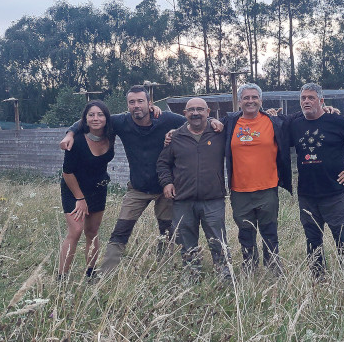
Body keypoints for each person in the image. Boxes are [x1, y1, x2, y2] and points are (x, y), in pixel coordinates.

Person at [59, 85, 223, 275]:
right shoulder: (120, 122)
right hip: (137, 188)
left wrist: (211, 121)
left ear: (149, 103)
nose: (136, 106)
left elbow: (193, 118)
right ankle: (106, 272)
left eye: (140, 101)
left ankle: (164, 268)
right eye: (132, 102)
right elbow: (91, 120)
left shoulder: (166, 119)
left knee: (167, 232)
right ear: (127, 105)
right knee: (121, 231)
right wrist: (70, 133)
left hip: (165, 189)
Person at [288, 83, 344, 279]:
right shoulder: (295, 124)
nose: (306, 101)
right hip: (307, 195)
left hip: (334, 193)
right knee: (313, 241)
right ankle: (318, 279)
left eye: (311, 98)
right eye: (303, 98)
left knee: (342, 238)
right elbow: (277, 128)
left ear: (321, 101)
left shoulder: (335, 121)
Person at [156, 98, 231, 281]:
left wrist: (216, 121)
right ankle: (191, 276)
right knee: (186, 242)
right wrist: (167, 183)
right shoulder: (175, 137)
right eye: (191, 110)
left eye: (200, 109)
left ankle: (224, 276)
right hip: (183, 200)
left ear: (208, 111)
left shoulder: (218, 133)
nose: (195, 113)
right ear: (185, 113)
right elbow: (162, 164)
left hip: (213, 199)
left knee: (218, 241)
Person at [223, 83, 291, 274]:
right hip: (239, 190)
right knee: (245, 232)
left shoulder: (275, 122)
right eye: (246, 98)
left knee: (269, 231)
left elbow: (300, 118)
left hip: (267, 188)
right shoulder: (229, 122)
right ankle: (249, 267)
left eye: (254, 97)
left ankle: (273, 267)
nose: (250, 101)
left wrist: (326, 109)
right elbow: (202, 121)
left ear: (261, 100)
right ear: (239, 102)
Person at [58, 100, 115, 280]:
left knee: (92, 232)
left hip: (98, 189)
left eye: (100, 114)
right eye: (91, 115)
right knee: (75, 231)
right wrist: (80, 199)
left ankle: (90, 274)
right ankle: (62, 278)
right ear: (85, 119)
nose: (96, 118)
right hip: (73, 189)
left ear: (106, 118)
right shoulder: (76, 141)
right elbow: (67, 172)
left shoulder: (111, 134)